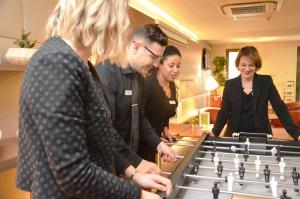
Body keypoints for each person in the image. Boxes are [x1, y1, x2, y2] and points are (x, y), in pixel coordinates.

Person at [16, 1, 172, 199]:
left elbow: (99, 139)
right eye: (120, 17)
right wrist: (138, 195)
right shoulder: (56, 62)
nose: (121, 28)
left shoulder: (81, 64)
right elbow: (72, 173)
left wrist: (133, 174)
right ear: (102, 16)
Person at [95, 24, 177, 170]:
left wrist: (159, 144)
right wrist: (137, 162)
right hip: (108, 165)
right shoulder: (106, 73)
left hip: (128, 163)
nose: (156, 64)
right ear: (136, 47)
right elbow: (105, 130)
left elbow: (139, 117)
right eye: (153, 57)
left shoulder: (140, 78)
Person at [212, 46, 300, 142]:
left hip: (261, 135)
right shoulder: (230, 85)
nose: (247, 69)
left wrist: (297, 134)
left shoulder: (266, 82)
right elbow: (224, 112)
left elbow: (280, 108)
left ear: (256, 66)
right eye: (243, 65)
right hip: (234, 135)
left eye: (251, 65)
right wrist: (214, 132)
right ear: (238, 66)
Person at [138, 45, 181, 162]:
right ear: (159, 64)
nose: (176, 70)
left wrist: (165, 129)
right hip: (142, 144)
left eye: (178, 66)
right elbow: (140, 118)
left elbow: (164, 113)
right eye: (171, 65)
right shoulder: (147, 84)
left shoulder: (171, 85)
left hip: (157, 141)